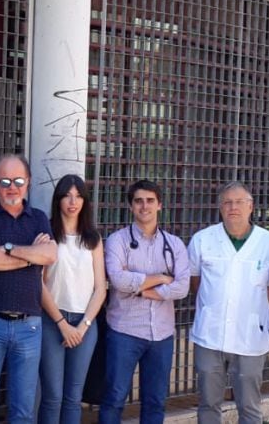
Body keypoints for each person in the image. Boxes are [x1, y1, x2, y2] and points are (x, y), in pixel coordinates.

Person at [0, 154, 57, 424]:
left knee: (23, 413)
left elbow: (50, 255)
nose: (12, 187)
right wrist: (31, 255)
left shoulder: (39, 218)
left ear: (28, 182)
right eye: (5, 181)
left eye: (18, 181)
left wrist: (6, 249)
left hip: (29, 327)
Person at [187, 182, 269, 424]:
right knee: (208, 402)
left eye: (239, 202)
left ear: (251, 206)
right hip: (210, 334)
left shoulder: (268, 242)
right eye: (227, 202)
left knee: (249, 405)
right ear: (220, 208)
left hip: (250, 335)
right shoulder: (202, 239)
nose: (233, 207)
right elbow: (195, 280)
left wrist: (252, 309)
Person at [99, 179, 190, 424]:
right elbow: (118, 280)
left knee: (155, 401)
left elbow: (182, 287)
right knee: (114, 398)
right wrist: (160, 278)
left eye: (150, 201)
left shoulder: (174, 244)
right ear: (131, 206)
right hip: (124, 332)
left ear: (159, 205)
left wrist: (141, 290)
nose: (144, 206)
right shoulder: (117, 240)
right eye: (138, 201)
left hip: (162, 335)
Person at [37, 174, 106, 424]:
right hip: (52, 321)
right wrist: (62, 323)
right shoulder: (47, 235)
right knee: (52, 397)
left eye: (78, 196)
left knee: (73, 397)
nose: (72, 202)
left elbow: (100, 288)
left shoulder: (93, 239)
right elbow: (39, 283)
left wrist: (83, 326)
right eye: (67, 195)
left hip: (84, 324)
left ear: (85, 201)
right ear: (58, 199)